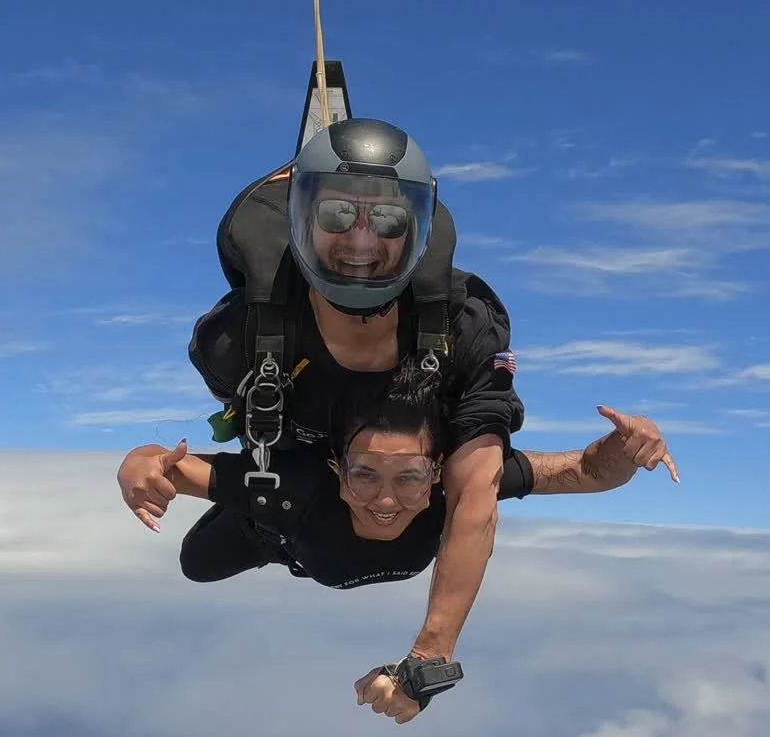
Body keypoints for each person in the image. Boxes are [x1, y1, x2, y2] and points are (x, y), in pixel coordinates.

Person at [117, 360, 678, 723]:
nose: (386, 500)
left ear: (436, 472)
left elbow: (586, 470)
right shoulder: (290, 488)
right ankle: (266, 531)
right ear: (338, 469)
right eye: (365, 475)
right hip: (277, 533)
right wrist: (137, 469)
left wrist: (628, 445)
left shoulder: (460, 488)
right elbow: (163, 464)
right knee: (198, 563)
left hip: (311, 537)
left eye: (408, 476)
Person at [185, 116, 524, 686]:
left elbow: (477, 491)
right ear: (301, 220)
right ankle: (277, 534)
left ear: (416, 229)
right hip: (297, 482)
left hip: (403, 477)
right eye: (337, 213)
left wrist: (431, 656)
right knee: (198, 563)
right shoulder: (236, 340)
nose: (362, 243)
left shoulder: (464, 329)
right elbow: (239, 421)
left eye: (389, 218)